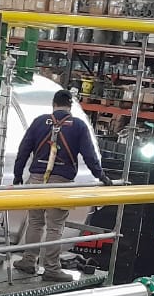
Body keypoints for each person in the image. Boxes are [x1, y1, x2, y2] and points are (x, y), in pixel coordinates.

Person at [14, 90, 112, 282]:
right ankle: (51, 268)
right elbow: (89, 156)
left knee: (35, 222)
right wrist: (101, 176)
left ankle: (28, 260)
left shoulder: (39, 122)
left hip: (36, 182)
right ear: (70, 106)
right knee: (55, 227)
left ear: (53, 104)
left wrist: (18, 175)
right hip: (60, 184)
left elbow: (23, 149)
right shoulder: (78, 126)